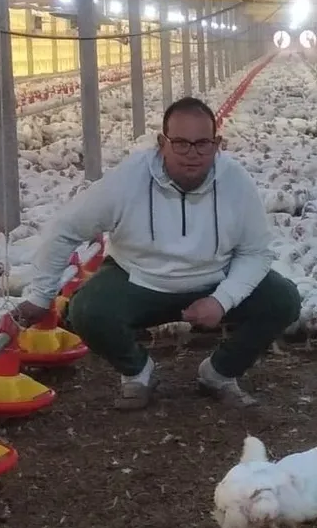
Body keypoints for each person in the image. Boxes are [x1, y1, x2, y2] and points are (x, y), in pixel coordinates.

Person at [16, 96, 301, 410]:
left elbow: (257, 251)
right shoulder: (128, 180)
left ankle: (219, 373)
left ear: (217, 143)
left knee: (283, 300)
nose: (192, 154)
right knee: (86, 309)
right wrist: (41, 297)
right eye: (180, 143)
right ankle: (139, 373)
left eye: (203, 143)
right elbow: (64, 229)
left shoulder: (235, 181)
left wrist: (222, 300)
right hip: (140, 280)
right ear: (161, 142)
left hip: (211, 280)